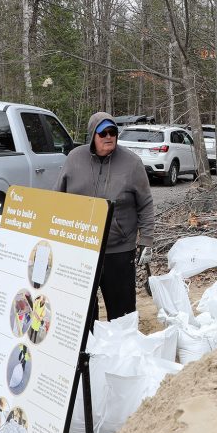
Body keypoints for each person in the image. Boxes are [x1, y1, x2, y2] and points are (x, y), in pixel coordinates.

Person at [56, 112, 154, 320]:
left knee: (122, 312)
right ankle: (87, 351)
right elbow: (58, 198)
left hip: (118, 249)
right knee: (80, 313)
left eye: (113, 132)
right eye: (103, 133)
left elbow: (145, 203)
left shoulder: (132, 163)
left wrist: (146, 241)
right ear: (92, 135)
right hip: (81, 248)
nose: (109, 137)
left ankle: (123, 349)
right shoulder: (74, 159)